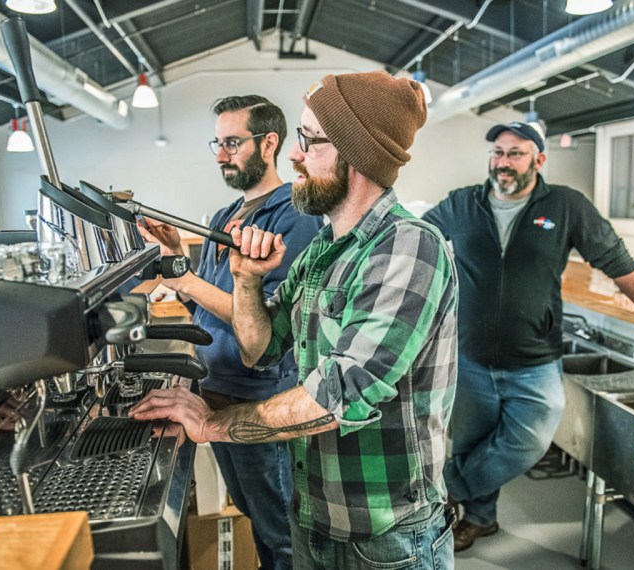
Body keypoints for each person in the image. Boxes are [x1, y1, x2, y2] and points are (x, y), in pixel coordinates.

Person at [131, 71, 459, 569]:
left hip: (384, 534)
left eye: (310, 141)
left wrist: (213, 425)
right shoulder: (324, 251)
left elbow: (339, 396)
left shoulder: (410, 246)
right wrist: (245, 280)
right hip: (316, 514)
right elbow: (259, 349)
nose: (294, 154)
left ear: (358, 155)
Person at [421, 121, 634, 552]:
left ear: (539, 160)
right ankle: (479, 519)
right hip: (472, 357)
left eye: (515, 153)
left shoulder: (565, 205)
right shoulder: (462, 204)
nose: (503, 162)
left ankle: (440, 493)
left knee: (528, 441)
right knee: (471, 442)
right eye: (498, 152)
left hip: (535, 359)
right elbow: (415, 240)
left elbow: (613, 256)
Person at [139, 95, 323, 570]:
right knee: (251, 512)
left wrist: (186, 280)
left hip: (260, 399)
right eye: (216, 144)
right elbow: (206, 304)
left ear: (269, 143)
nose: (221, 154)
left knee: (281, 532)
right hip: (216, 390)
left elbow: (263, 319)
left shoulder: (293, 216)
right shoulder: (225, 218)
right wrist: (178, 256)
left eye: (232, 143)